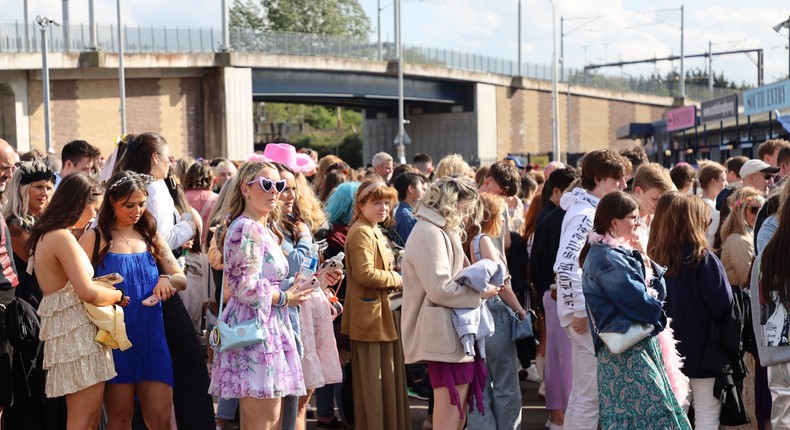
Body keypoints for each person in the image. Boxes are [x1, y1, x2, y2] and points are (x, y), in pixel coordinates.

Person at [208, 161, 320, 429]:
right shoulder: (246, 228)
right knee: (262, 421)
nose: (275, 191)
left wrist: (305, 284)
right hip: (256, 331)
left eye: (278, 185)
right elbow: (243, 286)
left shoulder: (262, 227)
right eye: (266, 185)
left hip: (268, 326)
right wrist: (285, 298)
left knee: (268, 419)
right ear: (246, 189)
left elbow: (268, 279)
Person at [116, 132, 214, 429]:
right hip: (152, 293)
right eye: (168, 157)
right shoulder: (154, 188)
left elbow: (157, 243)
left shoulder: (146, 190)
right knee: (185, 370)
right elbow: (160, 240)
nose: (137, 211)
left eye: (139, 205)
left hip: (149, 289)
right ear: (155, 158)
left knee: (147, 379)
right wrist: (189, 224)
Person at [80, 171, 185, 430]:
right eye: (129, 205)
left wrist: (166, 280)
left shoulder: (151, 236)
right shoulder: (95, 237)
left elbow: (180, 278)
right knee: (120, 420)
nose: (137, 210)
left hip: (152, 339)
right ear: (112, 202)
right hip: (113, 341)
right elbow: (76, 286)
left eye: (142, 203)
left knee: (161, 421)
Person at [580, 190, 690, 429]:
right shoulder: (607, 258)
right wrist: (657, 314)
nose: (638, 223)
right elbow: (642, 304)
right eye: (633, 217)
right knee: (653, 418)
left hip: (635, 347)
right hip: (627, 353)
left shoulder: (615, 253)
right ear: (614, 222)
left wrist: (645, 256)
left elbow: (659, 292)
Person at [28, 173, 128, 429]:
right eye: (93, 209)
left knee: (88, 418)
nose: (95, 216)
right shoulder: (60, 237)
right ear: (79, 203)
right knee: (85, 418)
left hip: (71, 330)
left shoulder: (48, 235)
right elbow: (87, 292)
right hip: (77, 333)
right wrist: (117, 296)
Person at [402, 176, 498, 430]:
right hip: (443, 332)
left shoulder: (438, 229)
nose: (467, 216)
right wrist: (482, 293)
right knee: (450, 411)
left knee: (456, 411)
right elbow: (441, 289)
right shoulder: (429, 232)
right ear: (451, 203)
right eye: (465, 209)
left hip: (452, 330)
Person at [553, 149, 630, 430]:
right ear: (598, 179)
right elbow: (565, 265)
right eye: (616, 179)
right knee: (590, 397)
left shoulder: (585, 209)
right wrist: (578, 310)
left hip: (585, 313)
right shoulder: (585, 214)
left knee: (583, 394)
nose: (623, 185)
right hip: (584, 315)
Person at [648, 192, 734, 429]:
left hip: (666, 350)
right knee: (707, 413)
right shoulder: (702, 258)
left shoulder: (654, 257)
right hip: (705, 349)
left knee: (676, 414)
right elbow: (721, 304)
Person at [273, 160, 342, 430]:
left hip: (311, 312)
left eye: (292, 188)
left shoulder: (295, 224)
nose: (288, 194)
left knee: (303, 399)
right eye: (280, 187)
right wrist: (303, 239)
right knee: (286, 403)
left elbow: (305, 272)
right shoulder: (271, 229)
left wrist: (325, 277)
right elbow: (288, 269)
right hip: (289, 317)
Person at [341, 179, 410, 430]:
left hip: (381, 315)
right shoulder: (361, 231)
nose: (383, 208)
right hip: (370, 318)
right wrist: (399, 279)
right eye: (376, 202)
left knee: (385, 383)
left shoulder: (372, 229)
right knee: (373, 385)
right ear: (361, 205)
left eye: (386, 203)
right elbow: (364, 274)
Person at [464, 192, 527, 430]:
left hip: (477, 315)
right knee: (506, 385)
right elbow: (501, 286)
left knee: (481, 386)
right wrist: (521, 312)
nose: (505, 217)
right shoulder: (484, 240)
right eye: (502, 213)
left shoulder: (472, 239)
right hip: (495, 314)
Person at [529, 167, 579, 429]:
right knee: (565, 362)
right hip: (560, 294)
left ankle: (558, 415)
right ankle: (562, 416)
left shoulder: (548, 216)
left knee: (556, 358)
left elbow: (536, 261)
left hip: (552, 294)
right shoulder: (560, 218)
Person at [752, 184, 790, 428]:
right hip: (779, 354)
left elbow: (764, 315)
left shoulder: (767, 256)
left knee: (783, 419)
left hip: (779, 357)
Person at [630, 162, 675, 245]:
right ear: (638, 191)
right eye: (654, 199)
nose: (659, 205)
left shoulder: (662, 220)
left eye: (662, 200)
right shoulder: (624, 223)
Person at [392, 172, 427, 247]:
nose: (425, 192)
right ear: (411, 189)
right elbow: (410, 246)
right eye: (422, 188)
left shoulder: (408, 212)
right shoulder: (406, 216)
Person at [698, 163, 728, 246]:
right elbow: (710, 240)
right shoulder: (711, 208)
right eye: (723, 180)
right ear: (713, 181)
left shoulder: (698, 202)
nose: (726, 184)